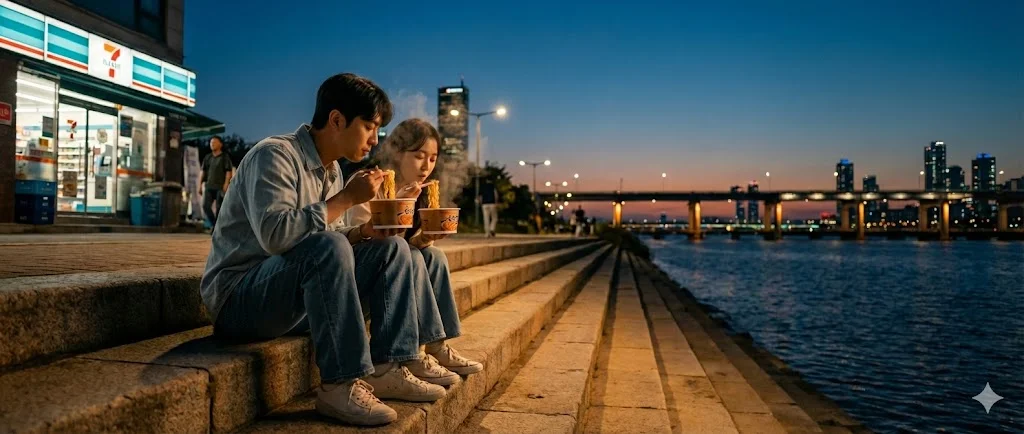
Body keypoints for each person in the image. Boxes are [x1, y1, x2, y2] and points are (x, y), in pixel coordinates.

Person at [201, 73, 443, 427]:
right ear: (336, 120)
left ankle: (388, 364)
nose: (375, 140)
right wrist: (346, 200)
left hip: (290, 299)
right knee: (329, 245)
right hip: (239, 299)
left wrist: (362, 231)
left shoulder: (331, 173)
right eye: (369, 127)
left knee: (391, 247)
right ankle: (339, 385)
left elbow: (329, 239)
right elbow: (277, 235)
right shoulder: (275, 155)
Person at [343, 118, 483, 387]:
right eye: (419, 156)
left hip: (391, 277)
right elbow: (369, 245)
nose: (426, 166)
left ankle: (436, 346)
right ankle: (398, 358)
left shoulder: (416, 190)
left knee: (433, 256)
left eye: (432, 159)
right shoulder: (369, 183)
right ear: (397, 151)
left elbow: (402, 250)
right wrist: (402, 204)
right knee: (415, 254)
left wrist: (424, 237)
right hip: (359, 279)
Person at [200, 135, 234, 229]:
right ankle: (215, 225)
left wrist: (226, 184)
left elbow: (228, 171)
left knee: (219, 209)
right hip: (209, 186)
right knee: (205, 206)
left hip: (220, 187)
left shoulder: (224, 157)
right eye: (211, 142)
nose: (212, 144)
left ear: (220, 144)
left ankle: (217, 229)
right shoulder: (208, 157)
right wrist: (199, 185)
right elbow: (203, 172)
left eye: (214, 142)